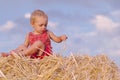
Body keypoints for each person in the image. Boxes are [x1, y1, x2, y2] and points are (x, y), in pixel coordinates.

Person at [1, 9, 67, 59]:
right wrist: (22, 49)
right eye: (41, 25)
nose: (44, 27)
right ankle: (9, 55)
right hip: (33, 55)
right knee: (22, 46)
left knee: (38, 43)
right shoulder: (29, 35)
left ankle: (21, 55)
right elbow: (25, 46)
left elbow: (57, 40)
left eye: (45, 25)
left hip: (44, 55)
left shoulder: (48, 32)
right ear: (33, 24)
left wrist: (61, 38)